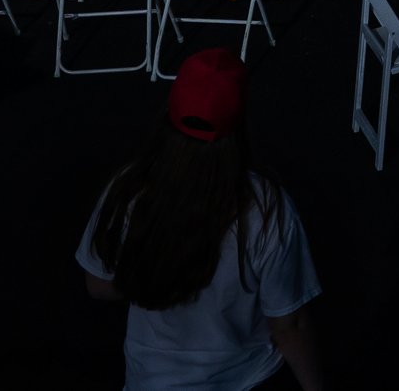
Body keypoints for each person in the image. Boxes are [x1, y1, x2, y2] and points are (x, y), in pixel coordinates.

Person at [77, 48, 326, 391]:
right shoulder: (267, 207)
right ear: (240, 123)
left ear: (169, 112)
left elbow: (98, 285)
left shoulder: (127, 189)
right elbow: (289, 324)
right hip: (248, 379)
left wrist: (157, 279)